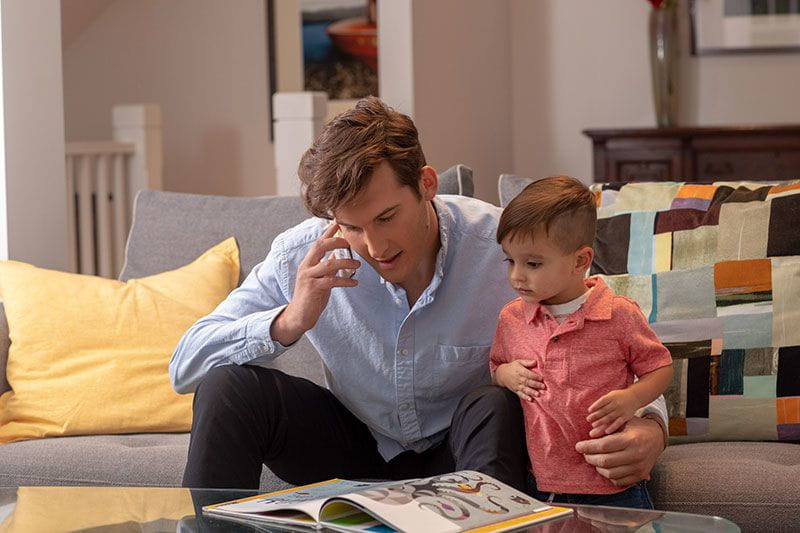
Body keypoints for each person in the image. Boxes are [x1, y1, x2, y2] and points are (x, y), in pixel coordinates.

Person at [169, 96, 669, 492]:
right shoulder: (303, 255)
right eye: (351, 227)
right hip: (353, 447)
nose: (375, 246)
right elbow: (184, 367)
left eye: (387, 218)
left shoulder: (505, 250)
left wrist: (650, 427)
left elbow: (614, 339)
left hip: (465, 452)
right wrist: (288, 321)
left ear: (426, 184)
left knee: (493, 402)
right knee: (229, 387)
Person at [490, 176, 674, 508]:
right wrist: (507, 375)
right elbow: (495, 367)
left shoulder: (618, 314)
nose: (516, 275)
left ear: (579, 260)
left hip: (615, 486)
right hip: (542, 484)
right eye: (510, 260)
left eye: (532, 264)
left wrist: (632, 399)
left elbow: (660, 369)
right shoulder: (512, 318)